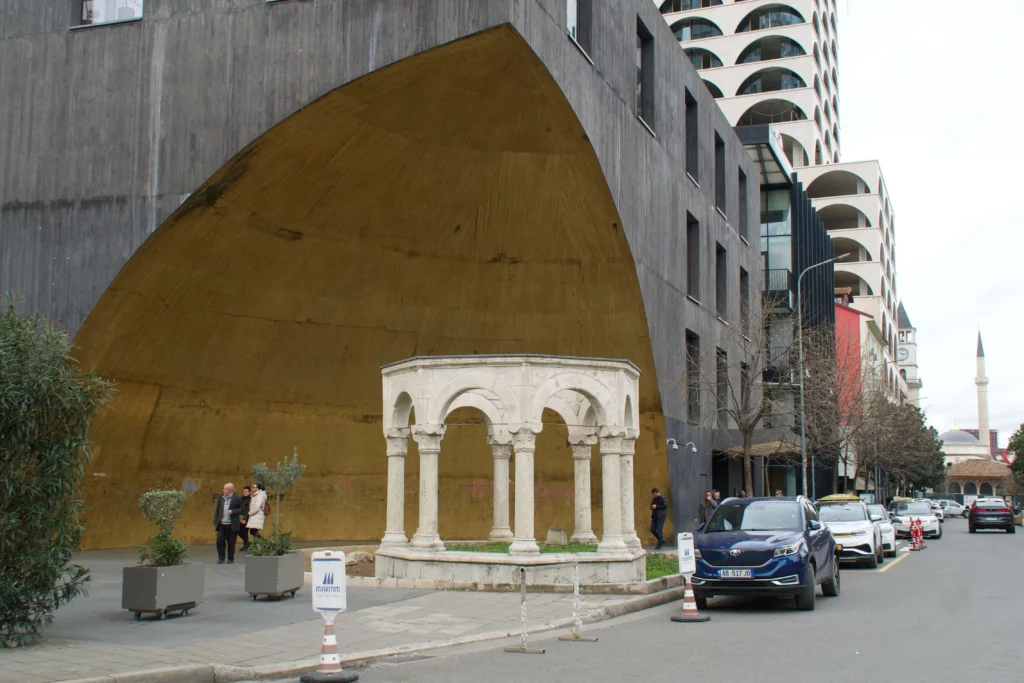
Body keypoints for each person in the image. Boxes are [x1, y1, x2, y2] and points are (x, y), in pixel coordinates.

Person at [212, 482, 245, 564]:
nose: (223, 490)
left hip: (232, 524)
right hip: (222, 524)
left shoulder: (237, 497)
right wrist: (215, 521)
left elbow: (242, 509)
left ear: (229, 490)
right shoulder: (221, 497)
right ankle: (221, 558)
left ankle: (230, 558)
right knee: (219, 541)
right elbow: (217, 510)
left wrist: (233, 511)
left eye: (225, 489)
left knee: (231, 542)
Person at [239, 486, 252, 551]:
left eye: (247, 491)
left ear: (249, 492)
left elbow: (248, 510)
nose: (245, 492)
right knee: (238, 531)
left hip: (246, 518)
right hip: (239, 517)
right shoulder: (240, 498)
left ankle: (246, 545)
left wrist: (245, 519)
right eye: (244, 491)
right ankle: (247, 543)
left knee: (244, 532)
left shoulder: (250, 499)